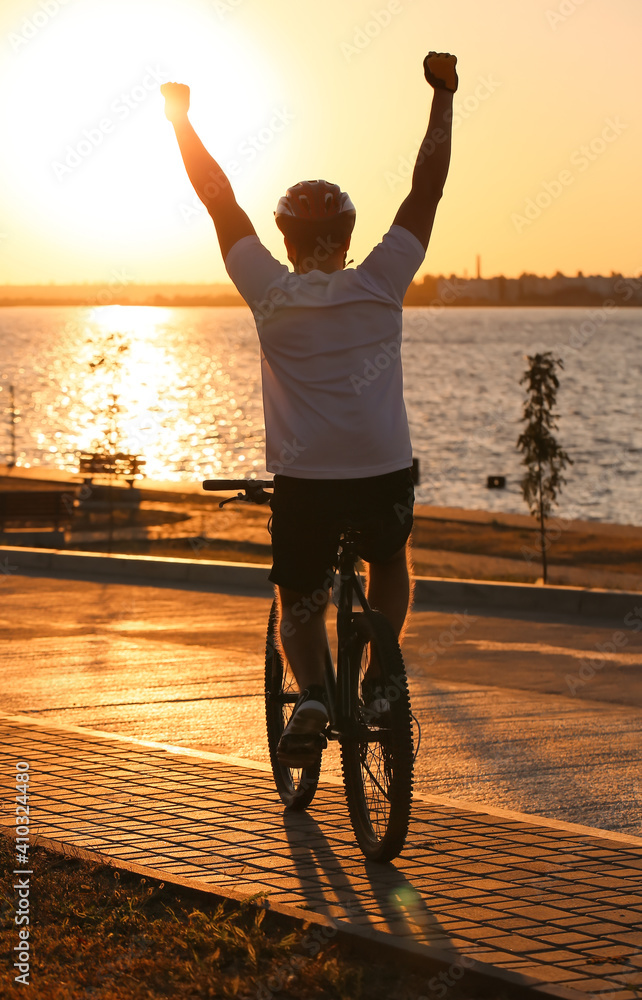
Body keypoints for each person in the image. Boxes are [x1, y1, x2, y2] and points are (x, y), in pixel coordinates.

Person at [162, 51, 458, 767]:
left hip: (307, 484)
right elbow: (427, 187)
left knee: (301, 596)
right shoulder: (383, 280)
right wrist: (443, 96)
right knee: (389, 561)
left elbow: (218, 198)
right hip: (385, 473)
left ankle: (318, 696)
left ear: (285, 239)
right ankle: (380, 671)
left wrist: (180, 119)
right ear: (349, 238)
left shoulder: (268, 290)